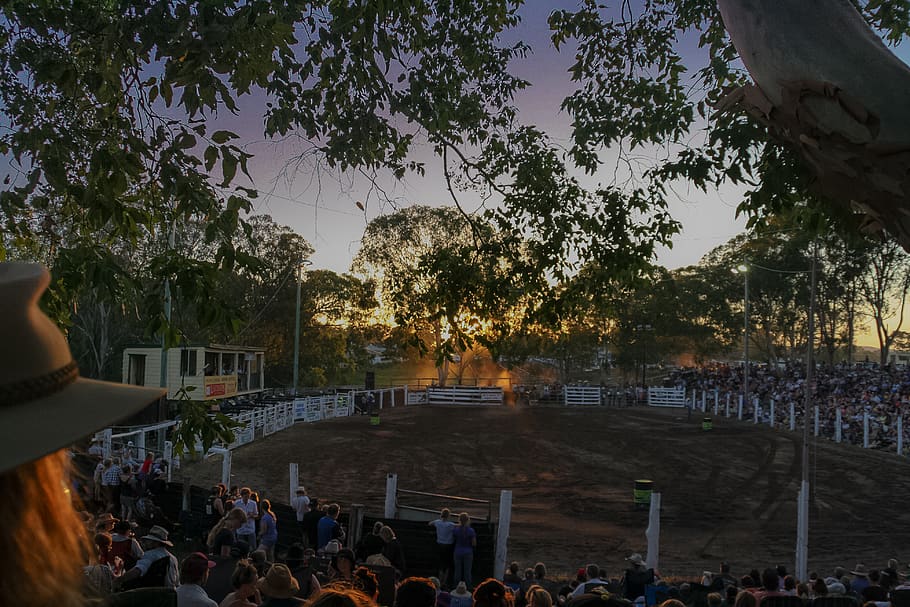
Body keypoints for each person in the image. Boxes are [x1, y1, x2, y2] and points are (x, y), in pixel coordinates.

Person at [118, 524, 181, 590]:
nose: (146, 543)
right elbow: (177, 582)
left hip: (154, 593)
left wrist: (120, 579)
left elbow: (138, 571)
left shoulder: (150, 555)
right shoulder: (173, 558)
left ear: (156, 542)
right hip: (170, 593)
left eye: (149, 540)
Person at [430, 509, 457, 587]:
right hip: (448, 545)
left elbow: (430, 523)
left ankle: (439, 580)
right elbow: (459, 526)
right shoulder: (450, 524)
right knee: (447, 564)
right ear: (449, 516)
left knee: (441, 564)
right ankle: (444, 581)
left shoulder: (437, 522)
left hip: (440, 544)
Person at [453, 512, 476, 588]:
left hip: (458, 551)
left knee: (457, 571)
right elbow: (474, 543)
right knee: (467, 572)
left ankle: (456, 586)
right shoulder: (471, 530)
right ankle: (468, 587)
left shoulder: (456, 530)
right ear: (468, 520)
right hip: (468, 552)